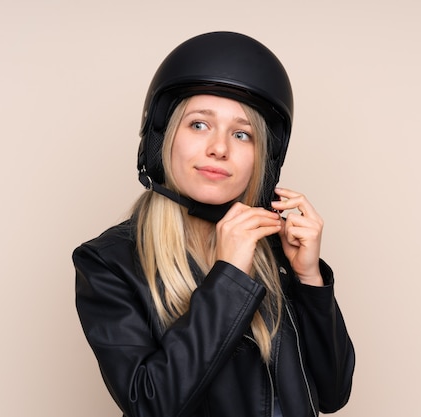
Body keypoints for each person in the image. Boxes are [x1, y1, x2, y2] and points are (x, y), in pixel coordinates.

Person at [74, 31, 355, 417]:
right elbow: (151, 406)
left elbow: (333, 393)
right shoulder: (109, 263)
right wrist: (229, 277)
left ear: (262, 160)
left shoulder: (275, 250)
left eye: (242, 134)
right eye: (199, 125)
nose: (219, 148)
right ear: (164, 138)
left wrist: (309, 278)